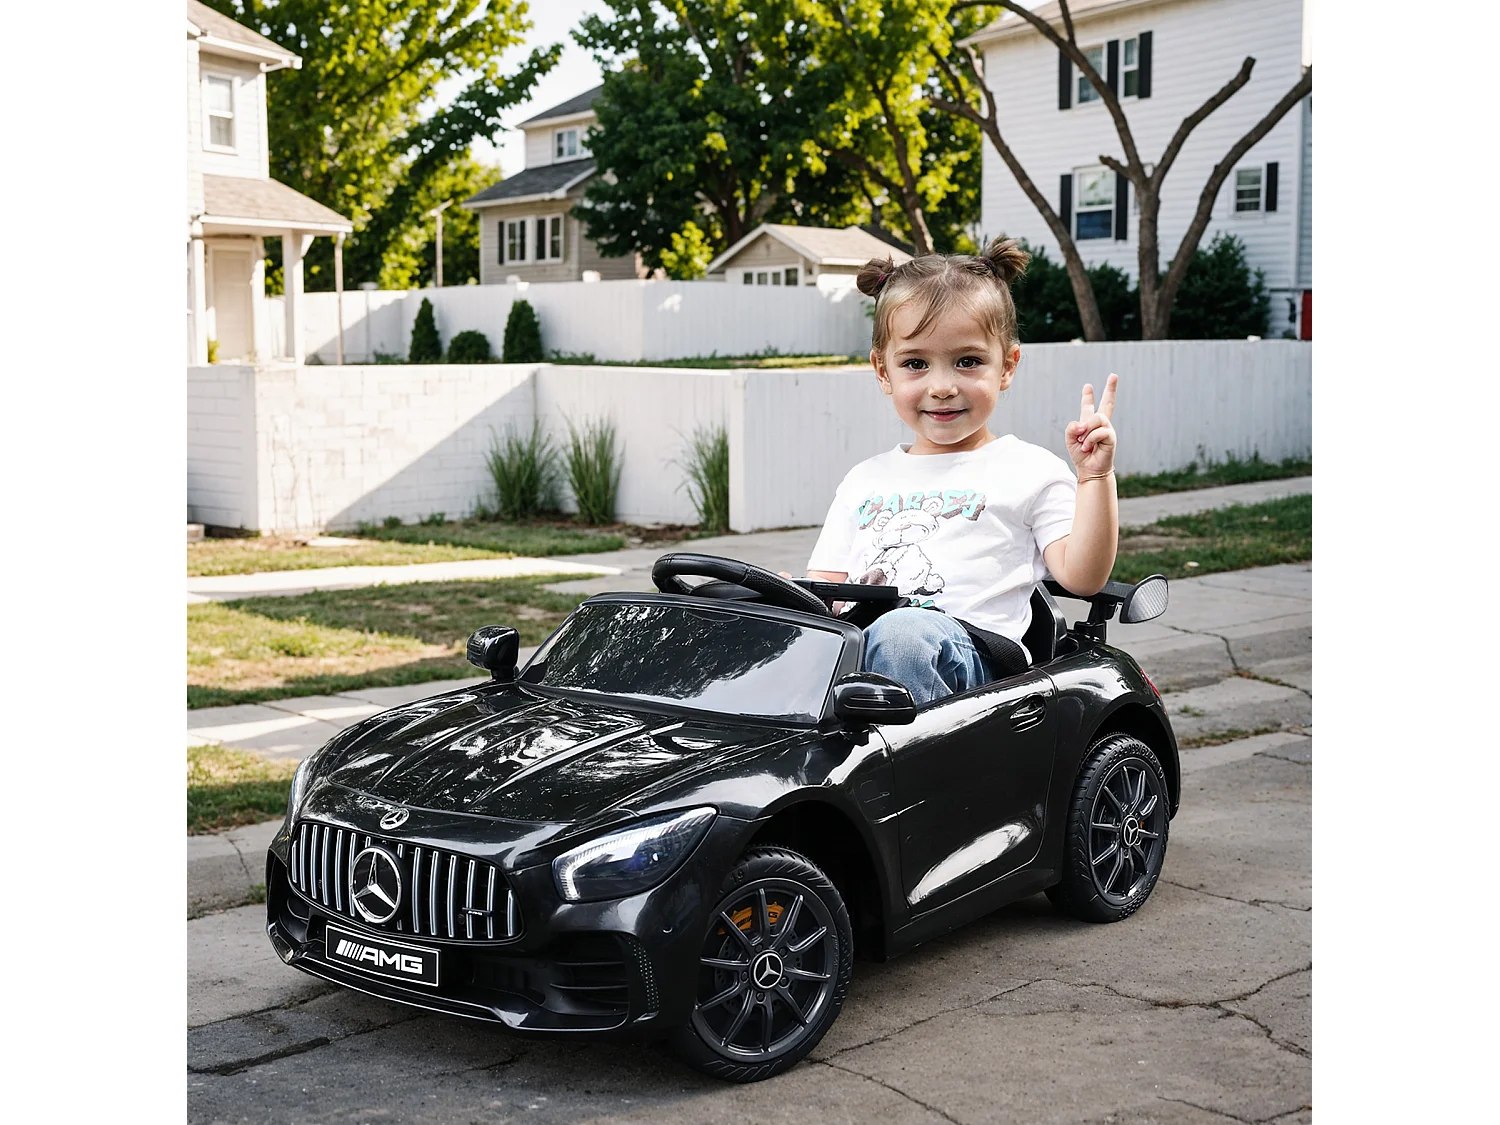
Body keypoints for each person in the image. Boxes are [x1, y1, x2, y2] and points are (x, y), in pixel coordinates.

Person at [800, 237, 1120, 706]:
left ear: (1007, 365)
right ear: (883, 371)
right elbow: (824, 593)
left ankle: (908, 752)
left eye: (967, 362)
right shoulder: (863, 480)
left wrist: (1094, 478)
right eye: (915, 364)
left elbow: (1083, 577)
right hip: (865, 657)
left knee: (904, 633)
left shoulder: (1028, 470)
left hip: (977, 664)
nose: (942, 386)